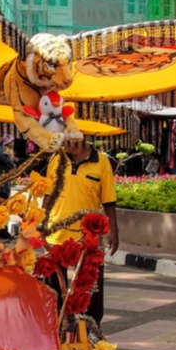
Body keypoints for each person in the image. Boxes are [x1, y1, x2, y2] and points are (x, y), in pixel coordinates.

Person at [43, 134, 119, 325]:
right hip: (56, 235)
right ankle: (57, 330)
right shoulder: (57, 158)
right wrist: (40, 224)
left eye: (75, 138)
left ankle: (90, 332)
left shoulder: (102, 161)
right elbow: (47, 195)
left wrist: (114, 232)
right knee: (54, 290)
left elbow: (109, 202)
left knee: (91, 290)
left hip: (89, 238)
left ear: (84, 138)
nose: (70, 142)